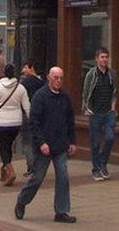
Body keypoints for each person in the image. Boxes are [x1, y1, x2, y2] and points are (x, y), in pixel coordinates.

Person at [15, 66, 76, 223]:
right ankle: (22, 200)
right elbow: (34, 123)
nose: (58, 81)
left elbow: (70, 121)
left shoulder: (65, 97)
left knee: (63, 177)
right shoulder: (40, 97)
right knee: (38, 178)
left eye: (61, 78)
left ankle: (61, 211)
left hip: (61, 144)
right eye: (55, 77)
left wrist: (72, 141)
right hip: (44, 147)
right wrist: (41, 143)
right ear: (49, 78)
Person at [0, 63, 31, 186]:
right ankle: (4, 170)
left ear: (4, 73)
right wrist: (31, 119)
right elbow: (27, 106)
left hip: (1, 122)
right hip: (16, 123)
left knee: (3, 147)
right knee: (8, 146)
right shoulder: (20, 88)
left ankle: (10, 171)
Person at [82, 48, 118, 181]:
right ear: (96, 58)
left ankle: (103, 163)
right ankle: (96, 169)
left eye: (106, 57)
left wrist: (113, 109)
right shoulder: (91, 75)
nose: (104, 59)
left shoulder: (112, 74)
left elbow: (115, 92)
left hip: (108, 112)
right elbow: (85, 93)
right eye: (102, 57)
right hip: (95, 113)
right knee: (95, 142)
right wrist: (87, 109)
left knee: (110, 138)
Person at [19, 59, 44, 177]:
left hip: (27, 115)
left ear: (31, 68)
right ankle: (38, 165)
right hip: (41, 115)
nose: (23, 70)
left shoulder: (25, 83)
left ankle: (32, 166)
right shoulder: (43, 82)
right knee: (37, 139)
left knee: (27, 141)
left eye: (25, 67)